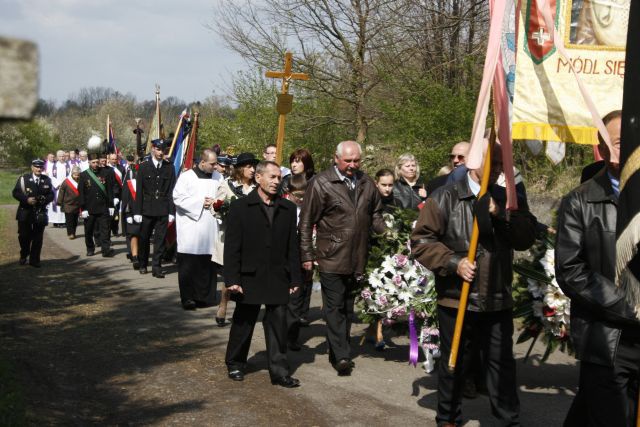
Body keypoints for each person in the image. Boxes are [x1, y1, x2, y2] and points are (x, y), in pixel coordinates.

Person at [411, 142, 537, 426]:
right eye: (490, 161)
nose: (496, 169)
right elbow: (421, 241)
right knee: (456, 361)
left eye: (500, 163)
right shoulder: (445, 197)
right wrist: (455, 263)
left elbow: (525, 237)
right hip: (457, 298)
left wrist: (500, 212)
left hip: (496, 297)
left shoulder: (509, 197)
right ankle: (448, 417)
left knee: (501, 365)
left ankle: (507, 419)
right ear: (473, 162)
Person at [556, 110, 640, 426]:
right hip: (606, 341)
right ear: (600, 148)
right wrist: (631, 306)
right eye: (616, 142)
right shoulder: (579, 201)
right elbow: (571, 270)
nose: (624, 149)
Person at [299, 140, 386, 375]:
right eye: (348, 160)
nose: (352, 165)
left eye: (356, 160)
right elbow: (306, 221)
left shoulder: (367, 182)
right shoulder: (321, 183)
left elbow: (375, 213)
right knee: (334, 307)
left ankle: (338, 348)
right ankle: (342, 356)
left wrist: (388, 232)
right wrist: (307, 254)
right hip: (331, 256)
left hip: (358, 256)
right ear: (336, 158)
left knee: (348, 308)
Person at [224, 161, 301, 387]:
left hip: (278, 275)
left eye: (279, 177)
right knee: (244, 322)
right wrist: (232, 279)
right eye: (272, 177)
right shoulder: (240, 207)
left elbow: (292, 247)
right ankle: (236, 363)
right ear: (258, 178)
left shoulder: (287, 210)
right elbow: (232, 247)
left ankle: (279, 372)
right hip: (249, 276)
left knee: (278, 324)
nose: (277, 181)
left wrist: (295, 277)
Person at [173, 149, 224, 310]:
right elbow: (178, 198)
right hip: (191, 228)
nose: (216, 167)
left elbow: (223, 196)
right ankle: (188, 298)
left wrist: (216, 201)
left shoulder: (218, 177)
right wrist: (200, 202)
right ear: (202, 162)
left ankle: (205, 297)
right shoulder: (187, 177)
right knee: (189, 265)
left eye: (216, 163)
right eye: (212, 164)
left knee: (207, 265)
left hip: (210, 228)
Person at [214, 152, 259, 326]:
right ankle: (223, 304)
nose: (252, 170)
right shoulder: (226, 185)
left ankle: (244, 309)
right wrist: (222, 210)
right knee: (230, 273)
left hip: (253, 238)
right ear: (239, 169)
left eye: (254, 166)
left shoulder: (258, 187)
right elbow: (215, 207)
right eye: (248, 166)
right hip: (230, 237)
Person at [133, 139, 176, 278]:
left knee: (160, 240)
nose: (160, 152)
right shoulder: (144, 167)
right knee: (144, 238)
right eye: (158, 149)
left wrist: (171, 211)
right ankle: (143, 263)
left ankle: (156, 267)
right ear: (153, 149)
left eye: (163, 150)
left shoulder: (169, 167)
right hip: (147, 208)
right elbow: (139, 191)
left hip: (163, 208)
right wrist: (137, 211)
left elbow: (171, 191)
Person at [283, 174, 313, 350]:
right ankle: (280, 335)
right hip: (284, 258)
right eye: (298, 196)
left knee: (296, 299)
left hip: (301, 258)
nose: (301, 199)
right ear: (289, 192)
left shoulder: (308, 208)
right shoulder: (284, 207)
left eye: (304, 196)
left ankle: (291, 338)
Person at [12, 159, 54, 267]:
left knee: (37, 237)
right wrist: (26, 199)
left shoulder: (46, 180)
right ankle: (24, 254)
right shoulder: (24, 179)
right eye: (36, 167)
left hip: (39, 212)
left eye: (41, 167)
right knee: (24, 236)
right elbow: (15, 193)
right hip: (25, 212)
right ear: (32, 167)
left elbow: (51, 195)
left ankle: (34, 260)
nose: (39, 169)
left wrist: (44, 199)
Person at [78, 153, 116, 257]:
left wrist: (111, 205)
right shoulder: (84, 175)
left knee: (105, 230)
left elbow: (109, 190)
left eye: (97, 162)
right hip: (89, 207)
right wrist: (83, 208)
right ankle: (90, 248)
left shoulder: (105, 173)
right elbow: (81, 193)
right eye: (93, 162)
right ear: (89, 162)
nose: (95, 164)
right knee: (89, 230)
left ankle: (106, 250)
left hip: (103, 207)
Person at [56, 166, 82, 239]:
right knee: (69, 220)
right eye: (75, 175)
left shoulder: (81, 181)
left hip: (77, 204)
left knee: (75, 221)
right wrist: (59, 201)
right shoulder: (66, 181)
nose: (76, 176)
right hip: (68, 204)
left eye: (78, 175)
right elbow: (61, 192)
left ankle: (73, 232)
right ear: (72, 174)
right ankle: (70, 233)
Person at [48, 149, 70, 228]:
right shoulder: (54, 166)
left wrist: (64, 184)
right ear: (57, 157)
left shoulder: (68, 165)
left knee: (64, 204)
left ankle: (63, 221)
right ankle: (56, 221)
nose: (62, 158)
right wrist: (58, 184)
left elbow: (69, 176)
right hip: (57, 188)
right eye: (60, 156)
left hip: (66, 187)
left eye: (63, 156)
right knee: (57, 204)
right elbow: (51, 177)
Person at [108, 153, 125, 236]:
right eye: (112, 159)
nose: (114, 161)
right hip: (109, 194)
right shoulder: (106, 169)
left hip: (119, 194)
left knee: (116, 213)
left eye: (115, 159)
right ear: (109, 159)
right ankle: (108, 230)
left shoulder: (121, 168)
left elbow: (124, 181)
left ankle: (115, 229)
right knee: (108, 213)